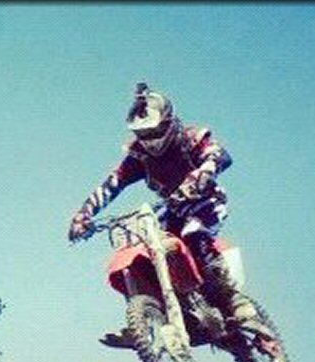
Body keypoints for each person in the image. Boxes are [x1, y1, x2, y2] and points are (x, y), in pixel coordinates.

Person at [68, 82, 257, 342]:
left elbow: (219, 154)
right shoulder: (139, 156)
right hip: (174, 209)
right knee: (145, 248)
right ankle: (152, 317)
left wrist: (205, 170)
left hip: (206, 202)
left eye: (154, 130)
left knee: (193, 233)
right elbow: (112, 184)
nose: (150, 139)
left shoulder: (190, 137)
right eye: (143, 133)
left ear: (167, 122)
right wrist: (84, 214)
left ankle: (235, 301)